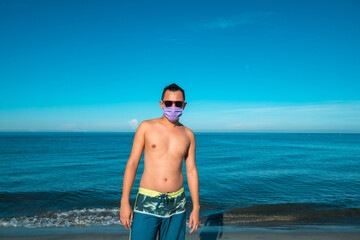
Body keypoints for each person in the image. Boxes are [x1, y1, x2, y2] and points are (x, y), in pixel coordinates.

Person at [120, 83, 200, 240]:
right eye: (169, 103)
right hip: (147, 202)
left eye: (178, 103)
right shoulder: (146, 127)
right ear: (161, 104)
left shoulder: (188, 134)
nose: (173, 106)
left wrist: (196, 207)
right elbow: (132, 163)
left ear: (184, 105)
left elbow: (191, 171)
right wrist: (124, 201)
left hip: (177, 204)